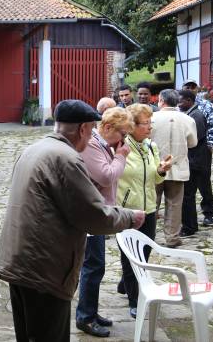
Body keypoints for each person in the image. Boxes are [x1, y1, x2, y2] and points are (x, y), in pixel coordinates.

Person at [0, 100, 145, 342]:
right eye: (92, 129)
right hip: (44, 266)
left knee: (29, 334)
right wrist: (130, 217)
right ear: (83, 128)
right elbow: (93, 216)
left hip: (20, 259)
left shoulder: (35, 148)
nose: (93, 135)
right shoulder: (66, 158)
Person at [75, 106, 133, 338]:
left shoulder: (101, 143)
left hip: (98, 213)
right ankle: (85, 318)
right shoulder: (91, 144)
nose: (124, 140)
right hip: (90, 215)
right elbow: (106, 175)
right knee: (93, 266)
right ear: (108, 127)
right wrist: (121, 156)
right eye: (122, 134)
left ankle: (90, 311)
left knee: (96, 266)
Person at [116, 104, 172, 319]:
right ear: (132, 127)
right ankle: (134, 300)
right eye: (145, 124)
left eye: (151, 123)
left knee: (144, 255)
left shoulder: (150, 146)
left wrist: (161, 170)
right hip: (128, 211)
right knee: (130, 257)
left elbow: (155, 178)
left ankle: (125, 284)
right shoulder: (120, 147)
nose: (150, 127)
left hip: (149, 208)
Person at [151, 89, 197, 248]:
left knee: (151, 204)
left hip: (155, 168)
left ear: (161, 100)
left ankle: (148, 236)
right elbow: (193, 143)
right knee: (175, 205)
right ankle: (172, 238)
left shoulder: (151, 118)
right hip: (177, 167)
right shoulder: (187, 119)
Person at [182, 79, 213, 226]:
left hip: (201, 150)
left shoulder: (205, 105)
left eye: (193, 86)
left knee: (204, 182)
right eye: (187, 87)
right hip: (184, 151)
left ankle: (209, 212)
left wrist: (211, 145)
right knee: (188, 185)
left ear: (197, 89)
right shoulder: (180, 105)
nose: (190, 89)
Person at [178, 89, 211, 237]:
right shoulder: (192, 114)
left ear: (189, 101)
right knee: (188, 195)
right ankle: (190, 225)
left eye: (181, 101)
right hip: (196, 159)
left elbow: (194, 141)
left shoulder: (196, 116)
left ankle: (189, 227)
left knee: (188, 195)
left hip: (195, 161)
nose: (179, 103)